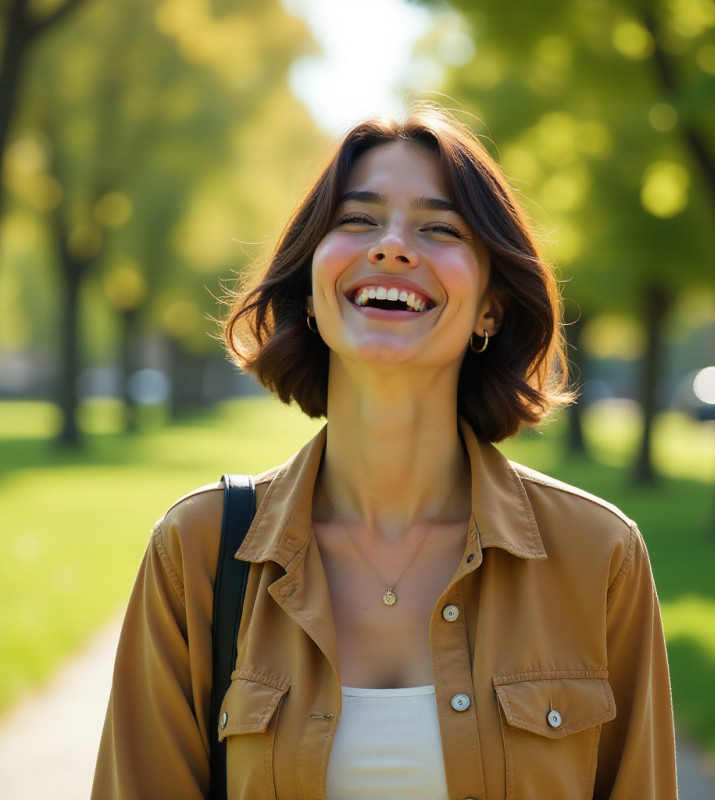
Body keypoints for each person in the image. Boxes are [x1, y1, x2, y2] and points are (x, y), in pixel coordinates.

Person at [92, 105, 677, 799]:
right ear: (312, 286)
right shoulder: (196, 550)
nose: (393, 247)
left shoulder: (599, 554)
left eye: (440, 228)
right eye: (358, 220)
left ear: (490, 306)